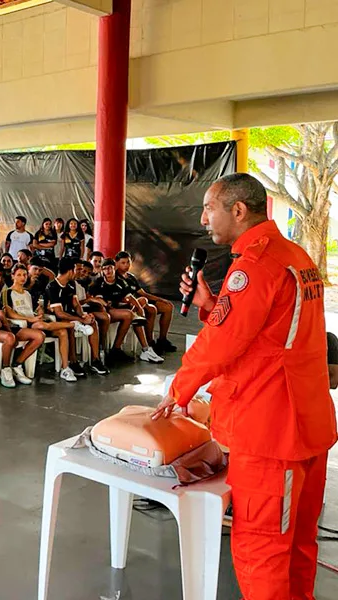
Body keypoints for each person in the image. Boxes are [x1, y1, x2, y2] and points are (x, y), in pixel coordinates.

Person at [152, 173, 337, 600]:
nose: (203, 219)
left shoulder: (254, 264)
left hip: (270, 432)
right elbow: (268, 334)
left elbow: (224, 343)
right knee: (298, 547)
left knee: (262, 552)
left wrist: (178, 389)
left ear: (238, 210)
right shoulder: (295, 256)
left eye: (208, 208)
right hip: (306, 422)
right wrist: (209, 305)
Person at [2, 265, 78, 382]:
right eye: (19, 275)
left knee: (62, 332)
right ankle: (75, 324)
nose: (22, 278)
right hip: (20, 326)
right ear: (13, 276)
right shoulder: (7, 292)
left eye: (24, 275)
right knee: (40, 330)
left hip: (34, 323)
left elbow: (37, 307)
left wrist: (40, 310)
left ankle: (65, 368)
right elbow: (10, 313)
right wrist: (29, 319)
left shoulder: (28, 293)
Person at [89, 259, 163, 364]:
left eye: (110, 267)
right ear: (102, 271)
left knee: (141, 302)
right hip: (105, 311)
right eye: (104, 269)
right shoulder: (99, 282)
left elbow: (130, 297)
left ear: (114, 268)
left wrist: (139, 309)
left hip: (119, 308)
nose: (108, 271)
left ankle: (145, 348)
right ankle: (120, 349)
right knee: (129, 315)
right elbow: (100, 302)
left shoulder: (120, 281)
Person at [44, 258, 108, 376]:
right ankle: (73, 361)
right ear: (69, 271)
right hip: (58, 319)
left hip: (71, 315)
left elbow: (76, 304)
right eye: (76, 269)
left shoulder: (71, 284)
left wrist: (84, 315)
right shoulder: (52, 286)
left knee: (92, 321)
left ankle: (95, 360)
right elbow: (59, 313)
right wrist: (79, 319)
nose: (78, 272)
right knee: (70, 324)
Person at [114, 251, 177, 354]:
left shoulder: (130, 277)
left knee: (168, 306)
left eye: (128, 262)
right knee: (151, 308)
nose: (126, 265)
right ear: (116, 263)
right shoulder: (115, 277)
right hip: (129, 305)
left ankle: (162, 340)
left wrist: (161, 299)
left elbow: (143, 293)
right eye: (123, 263)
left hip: (140, 302)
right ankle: (150, 342)